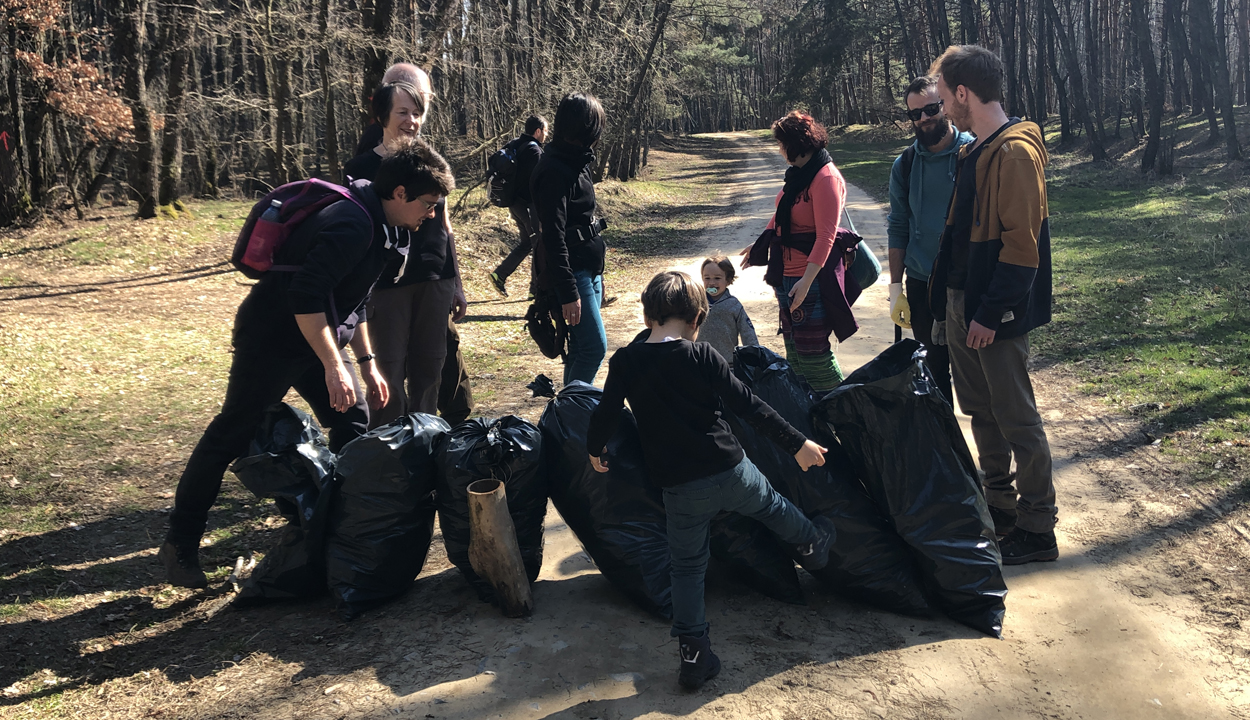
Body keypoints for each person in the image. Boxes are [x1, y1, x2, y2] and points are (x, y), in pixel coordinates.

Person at [161, 138, 455, 588]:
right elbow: (306, 298)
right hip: (273, 340)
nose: (431, 214)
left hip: (314, 340)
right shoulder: (353, 224)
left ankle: (336, 527)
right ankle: (180, 543)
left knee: (353, 418)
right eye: (429, 203)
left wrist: (368, 363)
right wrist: (335, 367)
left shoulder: (382, 224)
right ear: (399, 193)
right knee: (231, 434)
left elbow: (352, 303)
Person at [586, 271, 835, 690]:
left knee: (686, 567)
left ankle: (694, 656)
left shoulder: (626, 362)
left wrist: (595, 450)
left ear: (648, 315)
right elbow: (750, 407)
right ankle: (811, 543)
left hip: (680, 488)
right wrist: (798, 445)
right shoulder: (701, 356)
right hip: (730, 469)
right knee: (772, 507)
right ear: (697, 318)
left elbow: (606, 413)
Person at [928, 45, 1057, 565]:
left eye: (941, 98)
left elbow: (1022, 249)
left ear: (963, 93)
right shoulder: (972, 151)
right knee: (979, 410)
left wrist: (991, 314)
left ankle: (1037, 527)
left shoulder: (1015, 152)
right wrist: (949, 305)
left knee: (1016, 418)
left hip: (992, 312)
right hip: (964, 303)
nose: (940, 109)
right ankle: (1000, 506)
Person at [345, 76, 472, 428]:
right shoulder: (361, 169)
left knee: (430, 367)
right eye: (403, 112)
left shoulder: (433, 162)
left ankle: (425, 441)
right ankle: (388, 453)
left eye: (417, 113)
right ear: (382, 117)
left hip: (435, 279)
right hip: (385, 286)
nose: (411, 121)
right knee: (388, 369)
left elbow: (445, 228)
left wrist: (457, 282)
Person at [742, 111, 854, 394]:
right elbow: (782, 214)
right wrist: (761, 243)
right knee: (795, 354)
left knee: (814, 355)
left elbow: (826, 235)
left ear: (795, 143)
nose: (780, 150)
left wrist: (805, 282)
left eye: (781, 144)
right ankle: (812, 419)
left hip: (810, 278)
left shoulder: (825, 177)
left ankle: (844, 416)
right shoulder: (799, 176)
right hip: (786, 276)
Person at [886, 75, 975, 404]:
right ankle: (948, 449)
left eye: (931, 109)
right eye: (915, 114)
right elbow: (898, 225)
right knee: (934, 375)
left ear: (946, 106)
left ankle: (990, 451)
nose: (924, 119)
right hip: (922, 284)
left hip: (967, 282)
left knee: (975, 376)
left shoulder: (974, 153)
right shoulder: (904, 166)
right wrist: (896, 288)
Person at [531, 92, 609, 385]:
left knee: (579, 348)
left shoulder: (578, 161)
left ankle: (568, 419)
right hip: (572, 275)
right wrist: (568, 292)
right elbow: (553, 236)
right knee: (593, 348)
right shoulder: (554, 169)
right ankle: (572, 414)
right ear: (584, 127)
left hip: (588, 270)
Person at [489, 115, 547, 297]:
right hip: (528, 205)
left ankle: (500, 274)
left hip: (514, 203)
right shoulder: (534, 151)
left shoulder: (516, 144)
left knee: (526, 243)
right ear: (537, 131)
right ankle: (535, 289)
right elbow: (538, 182)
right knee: (539, 245)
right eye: (545, 131)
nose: (546, 134)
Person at [699, 255, 758, 365]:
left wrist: (754, 356)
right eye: (707, 278)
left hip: (728, 363)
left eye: (717, 278)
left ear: (728, 280)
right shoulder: (696, 302)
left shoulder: (733, 305)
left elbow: (747, 332)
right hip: (700, 362)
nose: (711, 283)